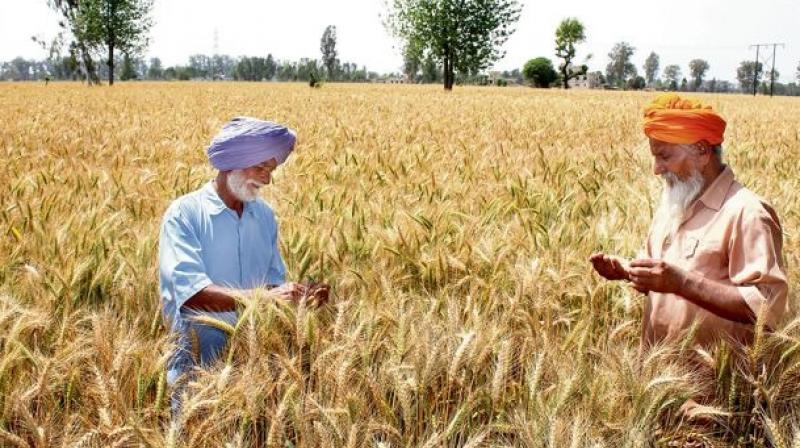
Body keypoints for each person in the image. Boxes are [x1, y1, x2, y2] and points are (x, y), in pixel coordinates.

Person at [159, 116, 328, 415]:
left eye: (271, 170)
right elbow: (192, 295)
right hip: (197, 375)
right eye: (260, 167)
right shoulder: (184, 214)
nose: (267, 179)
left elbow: (273, 286)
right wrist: (264, 298)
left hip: (254, 373)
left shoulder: (264, 216)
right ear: (232, 162)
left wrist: (301, 297)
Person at [590, 94, 788, 349]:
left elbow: (766, 308)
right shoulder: (674, 203)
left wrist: (681, 283)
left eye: (664, 156)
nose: (656, 169)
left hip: (717, 374)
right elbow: (663, 273)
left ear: (702, 151)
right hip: (658, 369)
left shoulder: (747, 213)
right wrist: (628, 271)